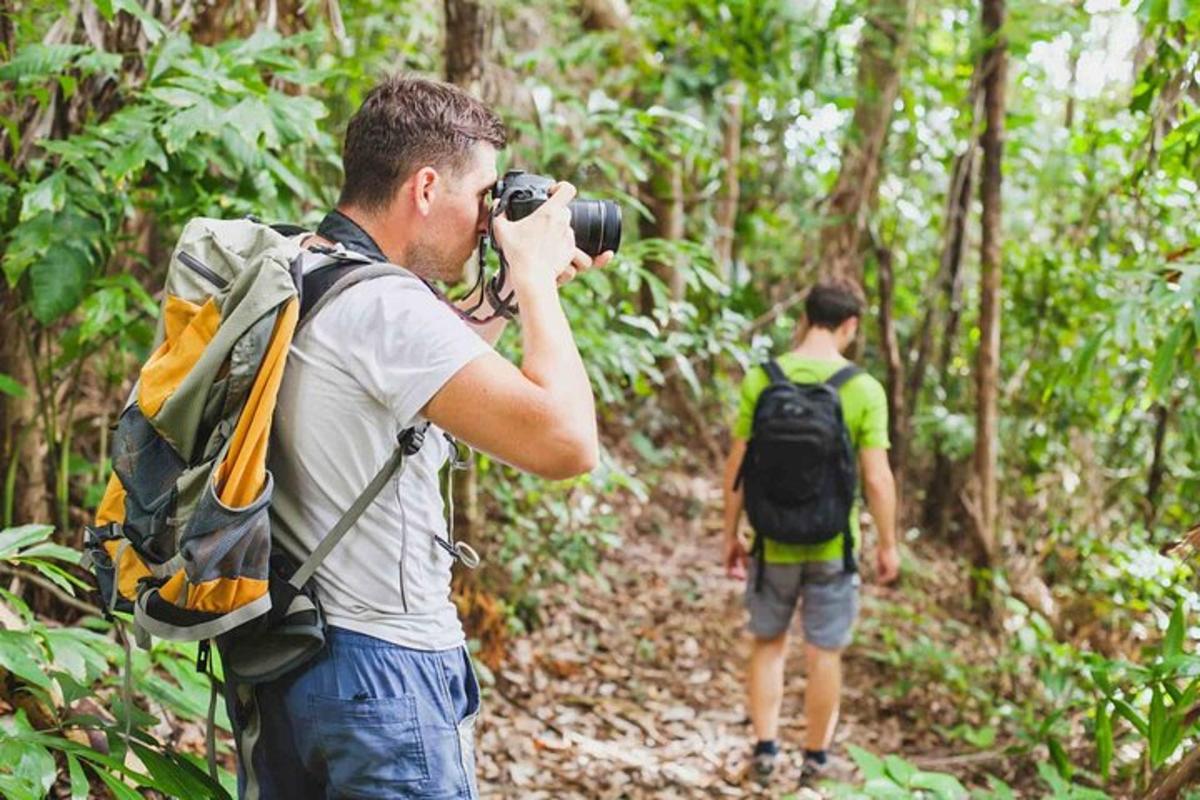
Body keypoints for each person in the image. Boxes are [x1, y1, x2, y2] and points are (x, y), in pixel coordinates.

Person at [231, 75, 612, 799]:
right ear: (427, 187)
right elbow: (568, 444)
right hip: (384, 676)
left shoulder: (308, 267)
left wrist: (501, 297)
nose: (489, 222)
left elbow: (419, 372)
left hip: (291, 654)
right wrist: (532, 280)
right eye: (484, 197)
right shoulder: (385, 308)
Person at [721, 279, 900, 786]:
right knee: (825, 651)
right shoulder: (864, 389)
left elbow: (737, 465)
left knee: (768, 643)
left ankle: (764, 751)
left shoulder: (763, 378)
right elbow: (878, 478)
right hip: (833, 546)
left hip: (771, 539)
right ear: (850, 326)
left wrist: (730, 534)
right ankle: (815, 762)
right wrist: (888, 544)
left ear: (805, 318)